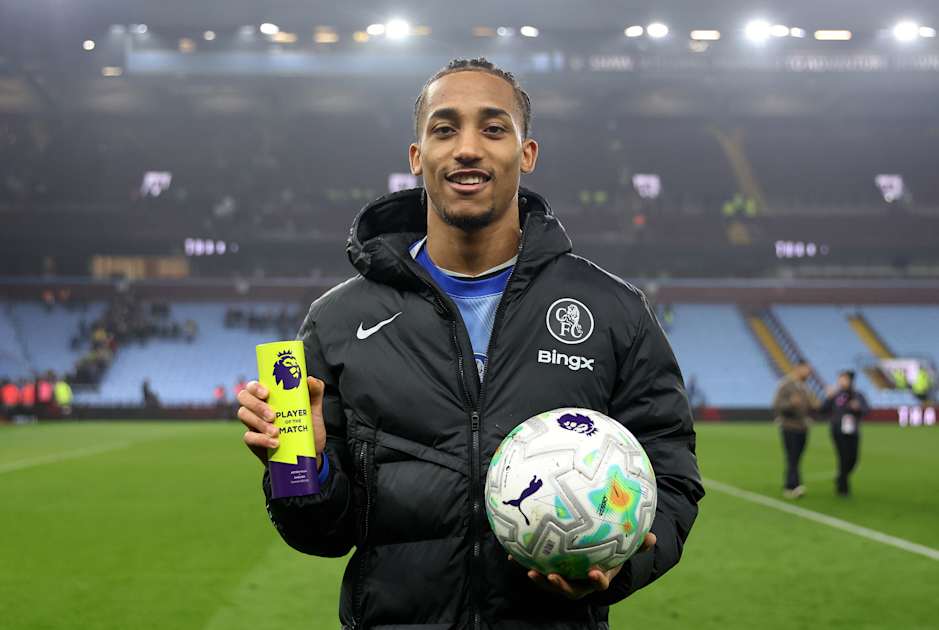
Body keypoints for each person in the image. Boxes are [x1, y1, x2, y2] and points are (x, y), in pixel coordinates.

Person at [237, 57, 703, 629]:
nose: (467, 148)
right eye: (444, 128)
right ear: (417, 158)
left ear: (525, 153)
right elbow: (323, 536)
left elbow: (671, 471)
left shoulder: (612, 311)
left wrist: (623, 562)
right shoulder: (337, 321)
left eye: (493, 127)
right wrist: (301, 468)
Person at [820, 370, 869, 496]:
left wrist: (858, 408)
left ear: (850, 380)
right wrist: (828, 397)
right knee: (843, 457)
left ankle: (841, 477)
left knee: (853, 459)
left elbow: (866, 409)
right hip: (838, 430)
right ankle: (843, 488)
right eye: (840, 379)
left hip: (853, 430)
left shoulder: (858, 395)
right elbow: (823, 409)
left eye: (844, 378)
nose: (841, 381)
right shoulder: (835, 395)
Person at [772, 360, 816, 499]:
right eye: (806, 369)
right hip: (789, 426)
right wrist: (791, 404)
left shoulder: (804, 387)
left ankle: (792, 484)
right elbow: (778, 405)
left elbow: (809, 406)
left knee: (797, 457)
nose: (809, 372)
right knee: (792, 456)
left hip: (803, 427)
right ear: (798, 368)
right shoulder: (786, 385)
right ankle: (793, 486)